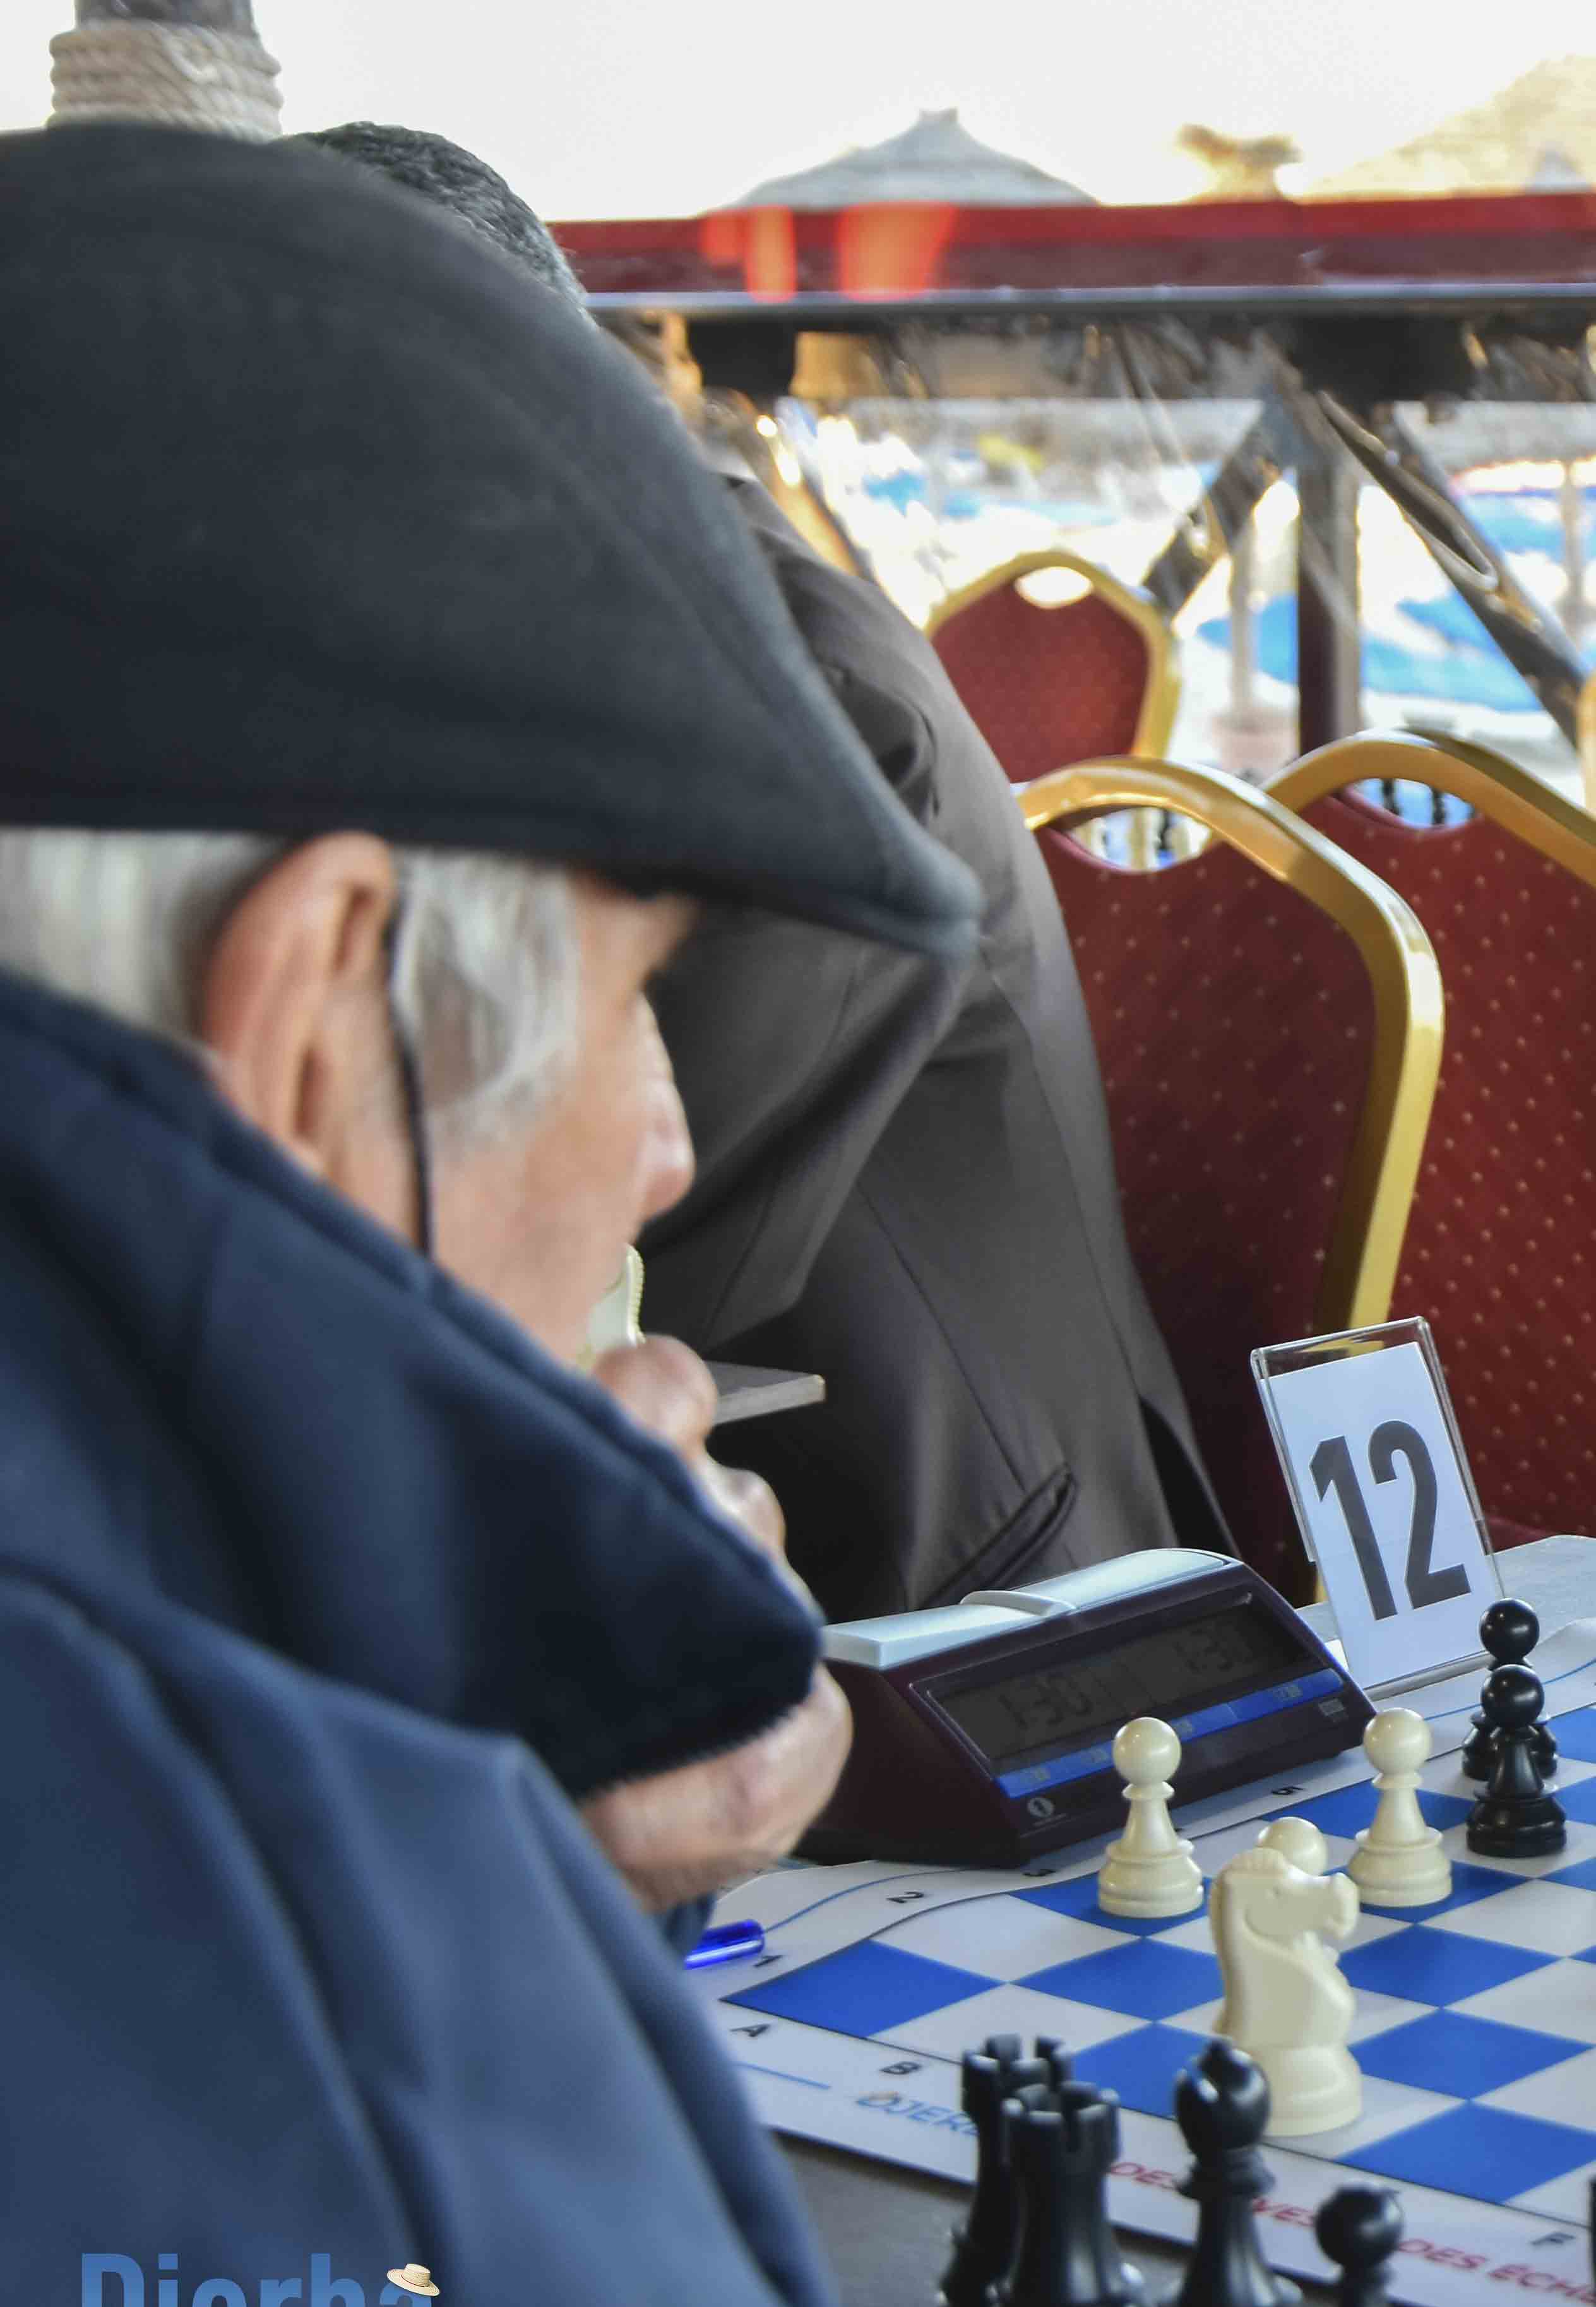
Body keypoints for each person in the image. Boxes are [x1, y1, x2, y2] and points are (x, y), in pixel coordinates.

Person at [0, 128, 980, 2307]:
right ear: (319, 1006)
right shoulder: (379, 2176)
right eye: (635, 986)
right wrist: (448, 1913)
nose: (663, 1136)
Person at [292, 121, 1227, 1624]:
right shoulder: (588, 639)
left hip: (960, 1572)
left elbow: (624, 1215)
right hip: (732, 1483)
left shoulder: (786, 689)